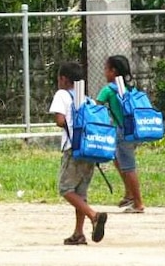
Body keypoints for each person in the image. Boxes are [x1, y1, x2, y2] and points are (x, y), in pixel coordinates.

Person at [49, 62, 107, 245]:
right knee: (80, 193)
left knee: (65, 189)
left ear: (64, 79)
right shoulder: (86, 98)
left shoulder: (62, 94)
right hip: (90, 149)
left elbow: (60, 120)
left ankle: (93, 215)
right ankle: (78, 233)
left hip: (73, 149)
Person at [96, 55, 145, 213]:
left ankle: (138, 203)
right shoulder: (130, 88)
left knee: (128, 167)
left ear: (113, 71)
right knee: (117, 159)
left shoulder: (109, 89)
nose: (104, 72)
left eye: (106, 69)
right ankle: (129, 194)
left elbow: (96, 108)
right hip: (133, 130)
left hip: (121, 132)